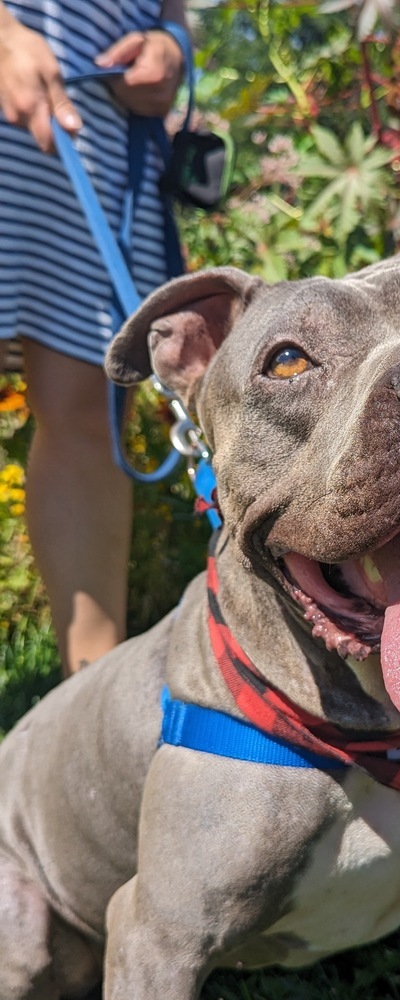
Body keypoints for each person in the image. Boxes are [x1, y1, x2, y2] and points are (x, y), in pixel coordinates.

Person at [0, 0, 187, 676]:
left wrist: (169, 45)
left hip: (99, 143)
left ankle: (87, 702)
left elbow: (173, 12)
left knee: (88, 414)